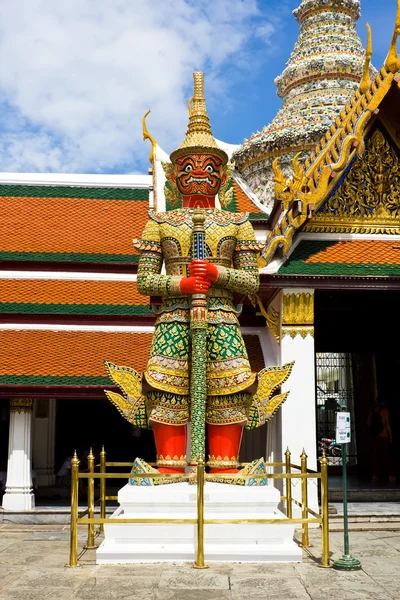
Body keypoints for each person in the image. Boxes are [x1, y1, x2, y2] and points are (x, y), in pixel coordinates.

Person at [105, 72, 291, 478]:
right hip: (174, 319)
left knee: (229, 391)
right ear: (174, 174)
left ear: (222, 175)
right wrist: (183, 284)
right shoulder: (161, 223)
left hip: (222, 318)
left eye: (209, 166)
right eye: (189, 165)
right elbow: (144, 281)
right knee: (167, 392)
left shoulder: (237, 223)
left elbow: (252, 283)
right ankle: (171, 469)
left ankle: (224, 470)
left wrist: (217, 272)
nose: (200, 173)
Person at [368, 397, 395, 485]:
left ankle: (375, 476)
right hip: (384, 436)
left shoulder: (372, 411)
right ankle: (390, 476)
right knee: (386, 456)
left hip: (375, 437)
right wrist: (391, 436)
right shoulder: (385, 411)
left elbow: (368, 423)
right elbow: (387, 424)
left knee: (375, 457)